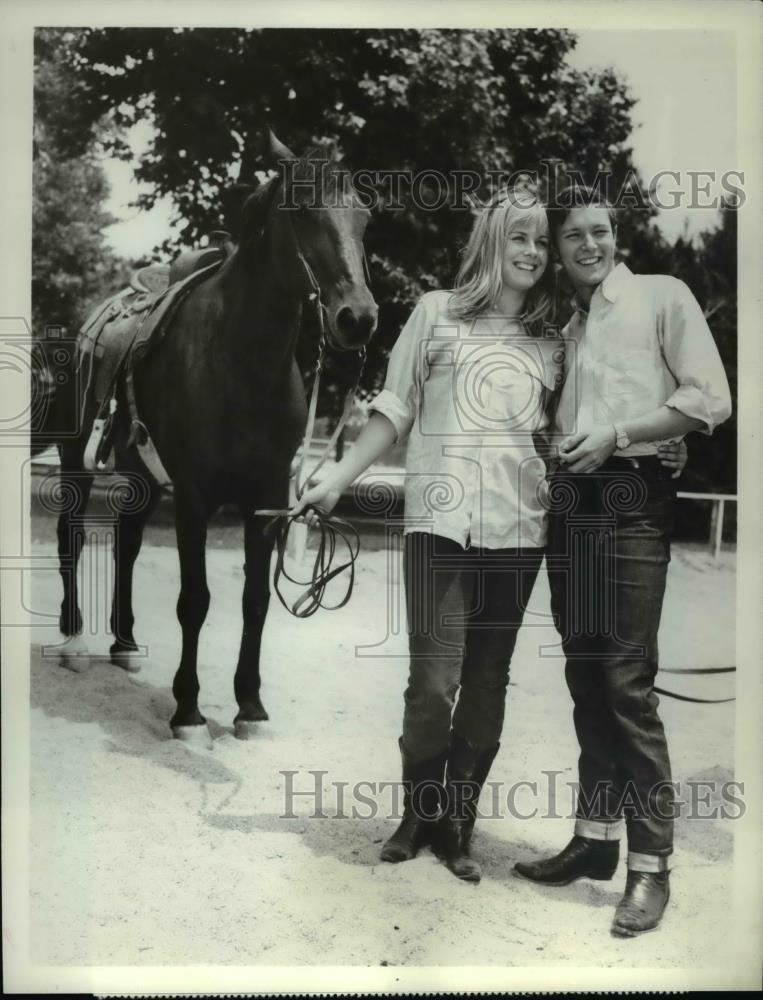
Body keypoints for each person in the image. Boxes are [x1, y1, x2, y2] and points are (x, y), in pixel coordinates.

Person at [292, 187, 684, 885]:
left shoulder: (555, 339)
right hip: (438, 525)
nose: (531, 252)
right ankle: (418, 812)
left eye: (540, 241)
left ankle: (457, 823)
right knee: (430, 683)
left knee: (485, 683)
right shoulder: (434, 312)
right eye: (518, 237)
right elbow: (394, 408)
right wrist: (336, 479)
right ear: (490, 242)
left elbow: (591, 418)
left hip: (518, 530)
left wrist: (663, 443)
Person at [512, 186, 732, 938]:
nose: (589, 245)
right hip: (572, 501)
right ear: (557, 247)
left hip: (633, 497)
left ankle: (651, 866)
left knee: (626, 684)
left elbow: (710, 398)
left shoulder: (662, 296)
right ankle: (594, 841)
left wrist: (626, 434)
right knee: (584, 676)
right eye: (572, 234)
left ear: (616, 234)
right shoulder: (564, 324)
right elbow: (549, 419)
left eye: (599, 230)